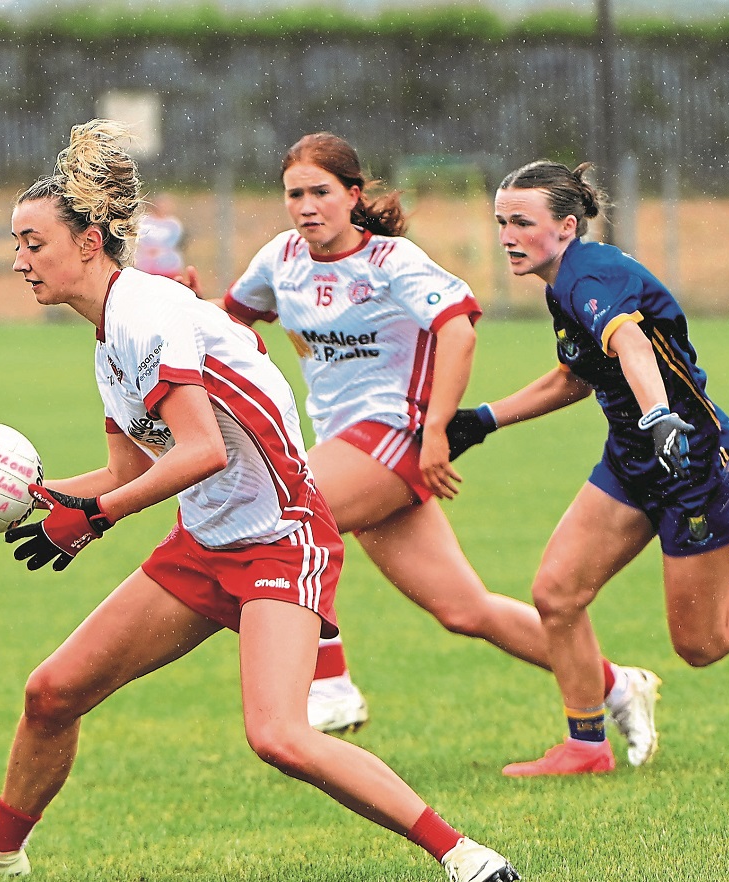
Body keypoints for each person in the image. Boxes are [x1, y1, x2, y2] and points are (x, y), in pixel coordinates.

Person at [0, 121, 519, 882]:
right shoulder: (108, 336)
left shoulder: (144, 314)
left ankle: (465, 857)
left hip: (282, 538)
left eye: (33, 241)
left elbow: (201, 451)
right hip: (205, 546)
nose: (19, 260)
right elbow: (123, 467)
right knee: (52, 692)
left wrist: (95, 518)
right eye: (17, 244)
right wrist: (29, 498)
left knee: (281, 736)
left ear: (90, 243)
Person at [206, 132, 660, 770]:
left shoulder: (391, 261)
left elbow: (458, 328)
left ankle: (329, 683)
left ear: (353, 194)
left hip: (397, 433)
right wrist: (189, 311)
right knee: (465, 609)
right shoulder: (280, 259)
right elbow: (231, 320)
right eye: (294, 194)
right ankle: (617, 685)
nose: (306, 206)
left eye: (321, 192)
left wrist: (440, 428)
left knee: (284, 513)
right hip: (343, 448)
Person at [450, 159, 729, 776]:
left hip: (694, 465)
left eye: (521, 222)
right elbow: (578, 376)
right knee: (557, 594)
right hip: (634, 462)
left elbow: (632, 345)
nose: (506, 235)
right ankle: (586, 746)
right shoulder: (562, 284)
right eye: (501, 221)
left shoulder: (591, 279)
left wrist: (660, 415)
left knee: (700, 643)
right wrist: (485, 419)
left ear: (566, 225)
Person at [133, 192, 186, 277]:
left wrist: (160, 249)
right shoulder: (145, 221)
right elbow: (141, 238)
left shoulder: (173, 224)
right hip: (146, 265)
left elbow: (174, 241)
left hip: (167, 265)